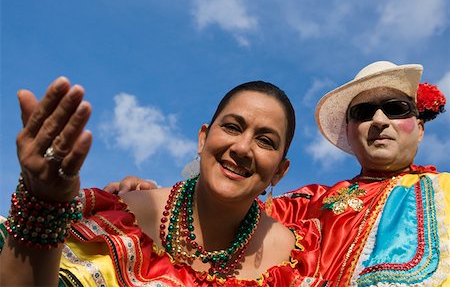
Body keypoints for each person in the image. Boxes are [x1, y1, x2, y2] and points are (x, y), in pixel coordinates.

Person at [108, 61, 450, 286]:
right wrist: (149, 202)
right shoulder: (308, 203)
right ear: (350, 131)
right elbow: (226, 207)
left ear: (419, 128)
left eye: (395, 109)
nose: (379, 121)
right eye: (363, 112)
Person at [0, 79, 329, 286]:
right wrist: (43, 201)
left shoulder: (294, 264)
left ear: (279, 172)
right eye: (232, 127)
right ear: (203, 138)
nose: (242, 148)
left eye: (266, 141)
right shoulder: (121, 219)